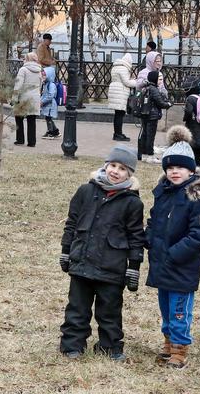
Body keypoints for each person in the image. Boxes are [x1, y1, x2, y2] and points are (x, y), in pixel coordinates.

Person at [58, 146, 145, 361]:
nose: (115, 171)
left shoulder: (133, 202)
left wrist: (134, 266)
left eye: (122, 169)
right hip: (82, 261)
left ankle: (110, 346)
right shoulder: (85, 192)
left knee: (110, 311)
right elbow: (72, 223)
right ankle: (72, 344)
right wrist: (66, 251)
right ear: (106, 166)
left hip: (112, 267)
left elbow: (136, 236)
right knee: (77, 307)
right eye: (113, 166)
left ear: (129, 174)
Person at [145, 126, 200, 369]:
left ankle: (180, 348)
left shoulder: (197, 199)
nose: (175, 172)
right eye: (170, 168)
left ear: (191, 170)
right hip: (161, 263)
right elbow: (154, 221)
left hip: (181, 266)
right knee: (165, 307)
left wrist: (175, 253)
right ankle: (168, 343)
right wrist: (149, 239)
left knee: (178, 310)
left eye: (181, 167)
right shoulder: (163, 194)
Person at [138, 70, 172, 161]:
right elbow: (160, 102)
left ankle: (143, 151)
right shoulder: (154, 89)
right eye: (159, 79)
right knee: (150, 135)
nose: (161, 81)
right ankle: (150, 153)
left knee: (145, 133)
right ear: (154, 79)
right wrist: (168, 104)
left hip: (145, 113)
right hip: (152, 115)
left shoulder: (146, 87)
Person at [13, 53, 41, 147]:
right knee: (31, 119)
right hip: (35, 97)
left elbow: (18, 85)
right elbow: (40, 84)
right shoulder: (39, 70)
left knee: (19, 117)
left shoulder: (23, 70)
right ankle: (32, 142)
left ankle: (20, 139)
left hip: (24, 97)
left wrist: (14, 98)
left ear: (27, 59)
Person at [106, 53, 136, 142]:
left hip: (115, 91)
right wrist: (135, 82)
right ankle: (118, 134)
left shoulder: (116, 67)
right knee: (119, 115)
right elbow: (126, 82)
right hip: (120, 93)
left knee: (118, 114)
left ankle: (117, 133)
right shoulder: (123, 68)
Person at [41, 65, 60, 139]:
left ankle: (50, 132)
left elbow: (50, 95)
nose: (43, 77)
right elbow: (44, 94)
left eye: (44, 75)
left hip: (50, 105)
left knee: (48, 118)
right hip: (48, 105)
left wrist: (43, 102)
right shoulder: (46, 84)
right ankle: (55, 131)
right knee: (48, 118)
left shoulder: (51, 85)